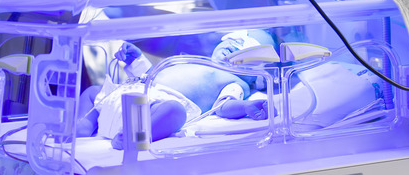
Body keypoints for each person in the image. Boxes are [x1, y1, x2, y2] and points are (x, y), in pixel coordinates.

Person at [76, 40, 272, 149]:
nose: (233, 46)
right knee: (94, 92)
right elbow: (152, 74)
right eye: (231, 41)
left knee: (175, 111)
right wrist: (137, 59)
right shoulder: (195, 60)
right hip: (132, 93)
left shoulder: (236, 82)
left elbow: (223, 106)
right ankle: (84, 125)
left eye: (243, 48)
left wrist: (246, 107)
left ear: (254, 77)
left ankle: (132, 136)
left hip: (153, 109)